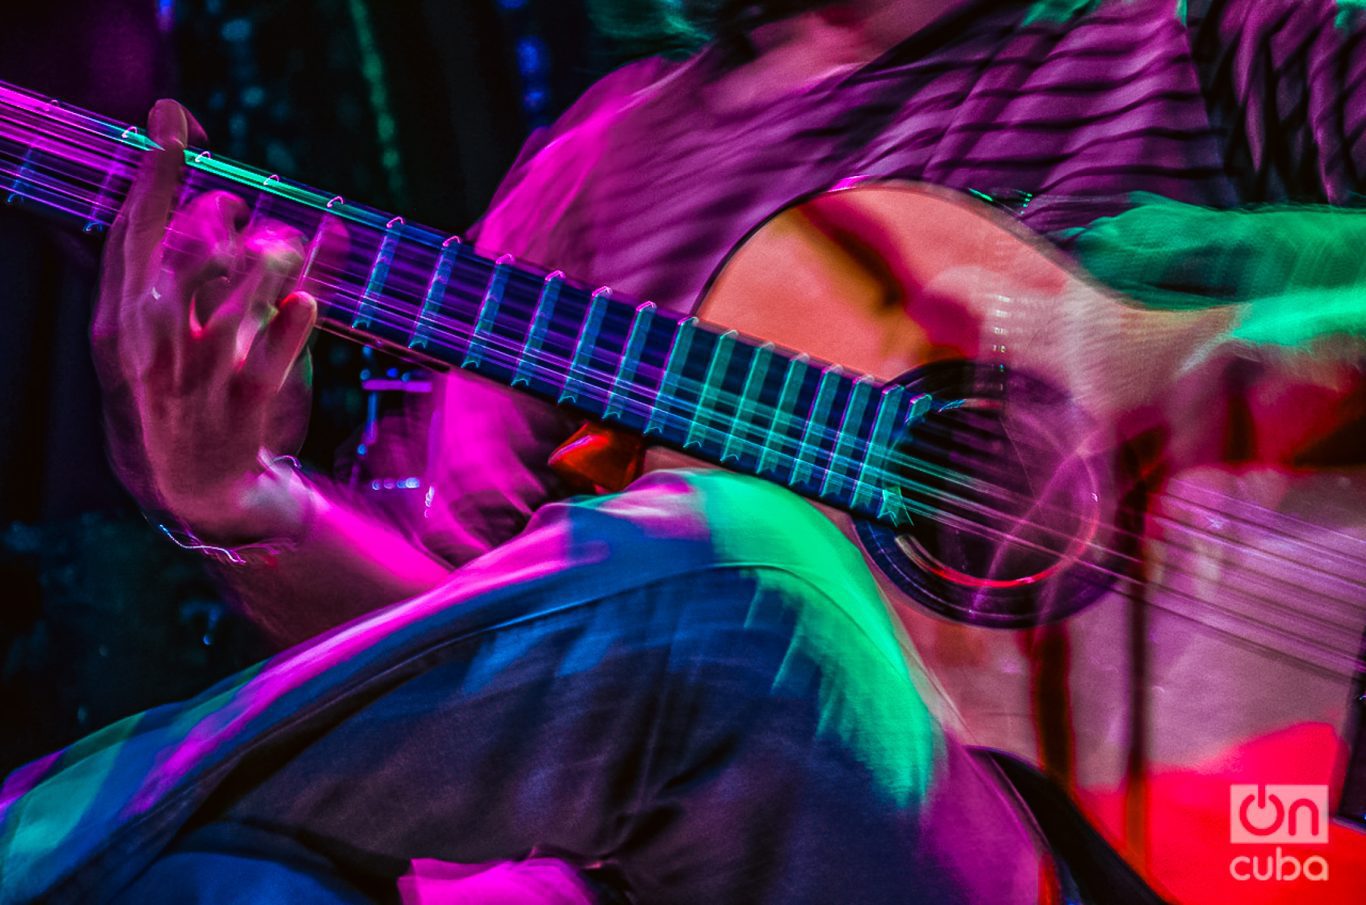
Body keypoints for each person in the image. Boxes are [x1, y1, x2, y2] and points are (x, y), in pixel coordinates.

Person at [2, 0, 1364, 902]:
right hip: (718, 841)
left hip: (1170, 845)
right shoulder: (599, 166)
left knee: (749, 571)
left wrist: (1251, 302)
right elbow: (506, 662)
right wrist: (248, 505)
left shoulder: (1200, 30)